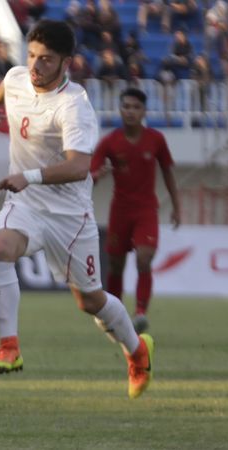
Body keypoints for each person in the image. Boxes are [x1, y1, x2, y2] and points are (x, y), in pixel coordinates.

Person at [0, 20, 153, 399]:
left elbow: (78, 167)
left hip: (69, 217)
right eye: (31, 57)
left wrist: (29, 175)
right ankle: (9, 347)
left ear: (66, 62)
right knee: (0, 250)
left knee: (89, 300)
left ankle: (137, 352)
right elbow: (2, 91)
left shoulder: (74, 107)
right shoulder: (16, 78)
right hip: (24, 204)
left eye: (46, 60)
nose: (36, 67)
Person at [91, 88, 181, 334]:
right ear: (120, 110)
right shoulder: (109, 142)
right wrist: (98, 174)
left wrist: (176, 206)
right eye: (126, 107)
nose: (130, 112)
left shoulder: (156, 139)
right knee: (116, 266)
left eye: (135, 107)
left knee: (144, 258)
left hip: (146, 210)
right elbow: (90, 175)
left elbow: (168, 172)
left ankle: (140, 312)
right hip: (120, 211)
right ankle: (113, 315)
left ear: (144, 111)